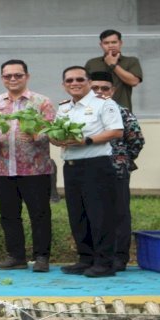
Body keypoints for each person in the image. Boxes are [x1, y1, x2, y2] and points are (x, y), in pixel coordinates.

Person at [50, 66, 123, 278]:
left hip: (96, 165)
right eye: (69, 80)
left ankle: (104, 263)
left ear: (89, 82)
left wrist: (86, 140)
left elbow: (116, 131)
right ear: (63, 85)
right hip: (72, 166)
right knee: (78, 215)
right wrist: (57, 139)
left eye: (80, 79)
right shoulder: (64, 108)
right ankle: (85, 259)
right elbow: (55, 136)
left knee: (99, 215)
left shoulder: (104, 104)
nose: (75, 83)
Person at [0, 60, 56, 273]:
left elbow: (52, 133)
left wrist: (36, 134)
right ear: (2, 78)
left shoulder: (42, 102)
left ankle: (42, 257)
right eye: (8, 76)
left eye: (18, 75)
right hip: (5, 168)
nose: (13, 79)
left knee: (40, 214)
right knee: (8, 215)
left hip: (35, 169)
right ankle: (16, 256)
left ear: (27, 76)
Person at [89, 71, 145, 272]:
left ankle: (119, 257)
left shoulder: (123, 112)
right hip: (88, 171)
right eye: (95, 88)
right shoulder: (83, 113)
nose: (100, 92)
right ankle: (96, 257)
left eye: (105, 88)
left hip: (116, 170)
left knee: (119, 214)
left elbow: (136, 140)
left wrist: (123, 159)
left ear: (112, 91)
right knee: (94, 214)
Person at [84, 29, 143, 111]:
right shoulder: (92, 63)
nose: (110, 45)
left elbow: (134, 81)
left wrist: (113, 65)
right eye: (106, 43)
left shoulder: (131, 61)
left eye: (114, 42)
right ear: (101, 45)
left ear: (120, 43)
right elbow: (85, 86)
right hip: (94, 109)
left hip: (122, 109)